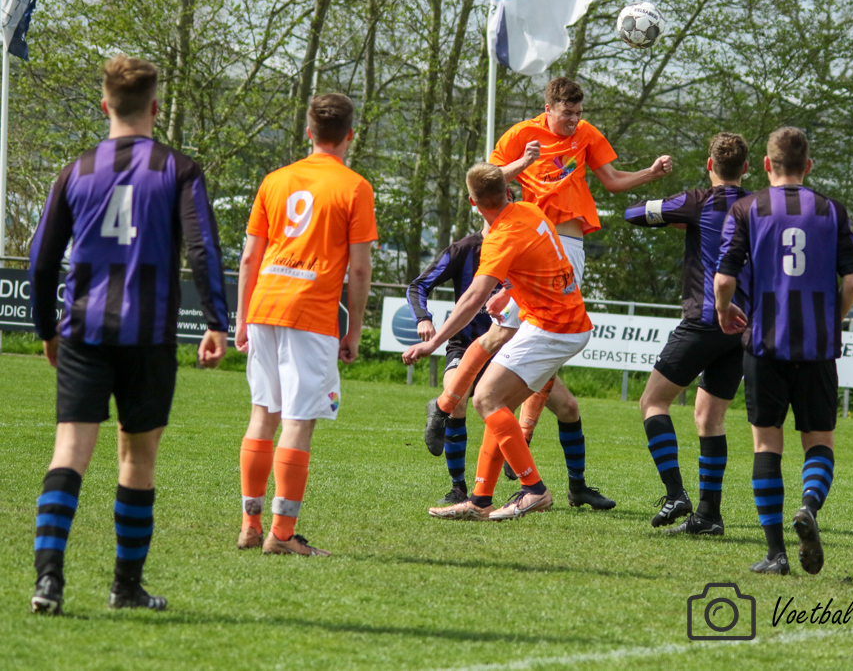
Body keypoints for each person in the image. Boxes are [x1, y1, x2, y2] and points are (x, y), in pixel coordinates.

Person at [28, 55, 229, 614]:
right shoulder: (178, 169)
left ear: (104, 105)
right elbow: (203, 250)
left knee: (69, 451)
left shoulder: (76, 170)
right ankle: (125, 587)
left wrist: (46, 329)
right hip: (149, 335)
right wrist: (216, 321)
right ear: (155, 108)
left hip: (83, 331)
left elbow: (41, 262)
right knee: (137, 459)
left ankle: (48, 583)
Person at [427, 76, 672, 508]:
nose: (574, 120)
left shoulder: (587, 134)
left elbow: (612, 180)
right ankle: (456, 413)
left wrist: (650, 173)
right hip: (529, 243)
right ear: (548, 108)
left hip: (567, 246)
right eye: (567, 113)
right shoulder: (522, 135)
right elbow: (485, 183)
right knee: (505, 338)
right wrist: (523, 163)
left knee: (530, 349)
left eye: (579, 113)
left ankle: (491, 438)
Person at [403, 164, 592, 521]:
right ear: (508, 192)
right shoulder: (530, 210)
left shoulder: (499, 237)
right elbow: (545, 261)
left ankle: (534, 489)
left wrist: (433, 342)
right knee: (496, 403)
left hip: (552, 328)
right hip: (559, 320)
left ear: (473, 203)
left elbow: (474, 297)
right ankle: (479, 500)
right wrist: (509, 292)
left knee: (485, 398)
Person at [714, 127, 853, 576]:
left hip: (764, 344)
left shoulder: (747, 209)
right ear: (808, 166)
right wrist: (831, 320)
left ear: (766, 164)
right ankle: (809, 506)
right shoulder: (832, 211)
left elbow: (724, 279)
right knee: (819, 441)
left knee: (766, 443)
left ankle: (776, 554)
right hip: (817, 348)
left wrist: (723, 310)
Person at [234, 93, 376, 556]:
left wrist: (242, 318)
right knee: (297, 420)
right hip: (311, 314)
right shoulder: (355, 187)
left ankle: (250, 524)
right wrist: (353, 330)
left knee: (263, 414)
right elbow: (359, 269)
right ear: (350, 136)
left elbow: (250, 257)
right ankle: (281, 534)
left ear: (308, 132)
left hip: (265, 305)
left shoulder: (275, 180)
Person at [625, 133, 750, 533]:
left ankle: (676, 493)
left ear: (709, 165)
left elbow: (633, 213)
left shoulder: (697, 201)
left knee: (652, 401)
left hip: (704, 320)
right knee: (710, 419)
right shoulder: (759, 206)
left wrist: (674, 218)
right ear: (746, 168)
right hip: (742, 328)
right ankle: (709, 516)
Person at [406, 229, 500, 505]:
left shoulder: (519, 244)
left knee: (562, 406)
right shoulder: (464, 249)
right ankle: (458, 488)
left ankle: (556, 482)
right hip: (465, 345)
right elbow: (417, 285)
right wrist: (422, 318)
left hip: (507, 347)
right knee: (457, 400)